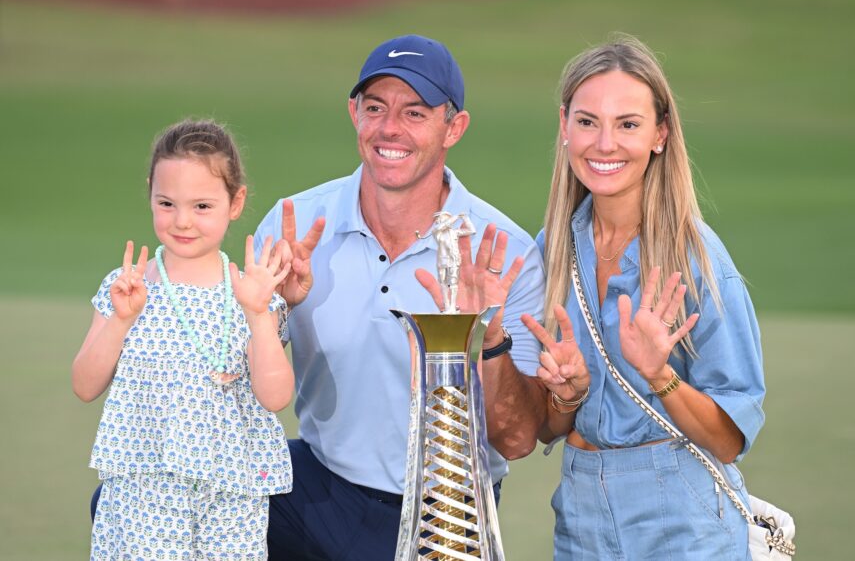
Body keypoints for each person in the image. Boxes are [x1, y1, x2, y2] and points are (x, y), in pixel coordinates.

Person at [252, 34, 547, 559]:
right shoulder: (294, 225)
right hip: (320, 486)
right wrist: (276, 309)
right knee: (153, 502)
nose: (390, 128)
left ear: (453, 127)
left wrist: (490, 334)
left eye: (415, 112)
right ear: (353, 114)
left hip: (445, 512)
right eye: (375, 108)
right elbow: (236, 384)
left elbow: (518, 439)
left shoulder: (504, 253)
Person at [521, 35, 766, 558]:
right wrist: (568, 393)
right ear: (565, 126)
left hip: (682, 515)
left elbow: (728, 441)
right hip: (580, 512)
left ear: (660, 134)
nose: (604, 144)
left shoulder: (697, 258)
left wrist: (661, 374)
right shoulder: (551, 248)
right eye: (587, 122)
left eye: (627, 124)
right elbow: (546, 429)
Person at [74, 120, 296, 559]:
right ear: (150, 195)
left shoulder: (251, 292)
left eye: (201, 206)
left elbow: (275, 397)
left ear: (236, 203)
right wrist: (120, 321)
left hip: (234, 486)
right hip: (146, 480)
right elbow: (84, 385)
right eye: (166, 203)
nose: (182, 221)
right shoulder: (129, 287)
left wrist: (258, 316)